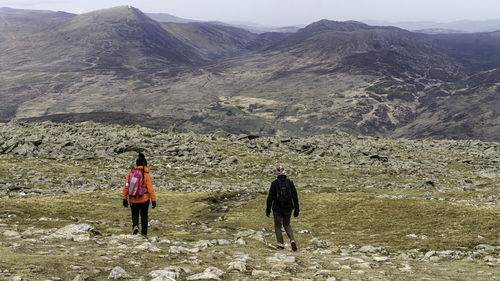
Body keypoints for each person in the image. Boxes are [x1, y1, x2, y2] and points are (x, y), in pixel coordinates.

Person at [122, 153, 157, 237]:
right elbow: (150, 189)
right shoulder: (146, 175)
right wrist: (153, 200)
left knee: (135, 214)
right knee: (144, 216)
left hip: (133, 199)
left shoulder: (131, 174)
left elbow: (126, 186)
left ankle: (135, 226)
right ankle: (144, 233)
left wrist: (124, 198)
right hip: (144, 199)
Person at [266, 166, 299, 251]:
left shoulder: (274, 183)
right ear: (285, 172)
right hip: (288, 208)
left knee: (278, 226)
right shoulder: (290, 182)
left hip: (277, 208)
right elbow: (294, 196)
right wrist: (296, 209)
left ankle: (280, 244)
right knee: (287, 224)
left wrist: (268, 209)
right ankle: (292, 241)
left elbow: (270, 197)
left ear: (276, 173)